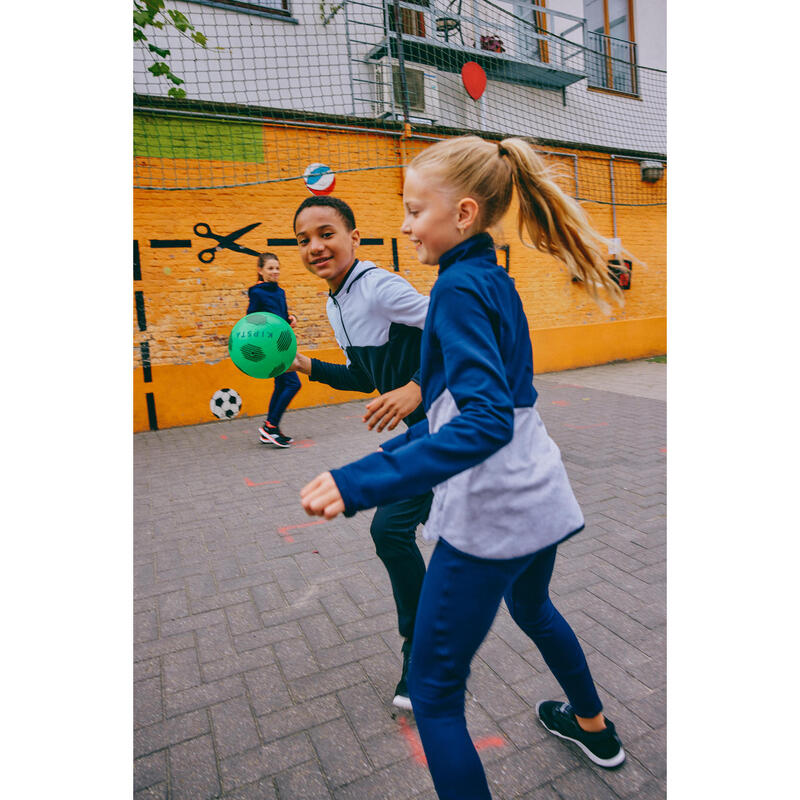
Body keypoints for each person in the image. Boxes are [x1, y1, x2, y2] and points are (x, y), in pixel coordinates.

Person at [300, 136, 629, 799]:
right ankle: (593, 728)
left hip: (495, 501)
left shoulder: (454, 288)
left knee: (434, 696)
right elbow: (464, 399)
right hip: (538, 485)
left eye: (415, 210)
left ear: (465, 214)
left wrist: (359, 481)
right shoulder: (490, 278)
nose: (404, 224)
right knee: (531, 605)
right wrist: (397, 444)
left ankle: (589, 725)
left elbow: (483, 420)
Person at [290, 195, 433, 710]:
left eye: (326, 233)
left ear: (354, 237)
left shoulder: (378, 286)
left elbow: (455, 328)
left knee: (390, 530)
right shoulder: (336, 302)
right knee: (403, 534)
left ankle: (423, 658)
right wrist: (303, 363)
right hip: (423, 429)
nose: (315, 246)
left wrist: (417, 385)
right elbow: (365, 377)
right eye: (303, 239)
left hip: (450, 425)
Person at [247, 252, 301, 448]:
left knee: (281, 385)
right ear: (260, 271)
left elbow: (282, 316)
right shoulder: (257, 292)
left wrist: (291, 318)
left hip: (283, 343)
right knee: (293, 384)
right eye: (270, 268)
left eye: (277, 268)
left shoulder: (280, 292)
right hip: (270, 347)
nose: (275, 272)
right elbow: (251, 320)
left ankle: (270, 428)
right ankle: (270, 427)